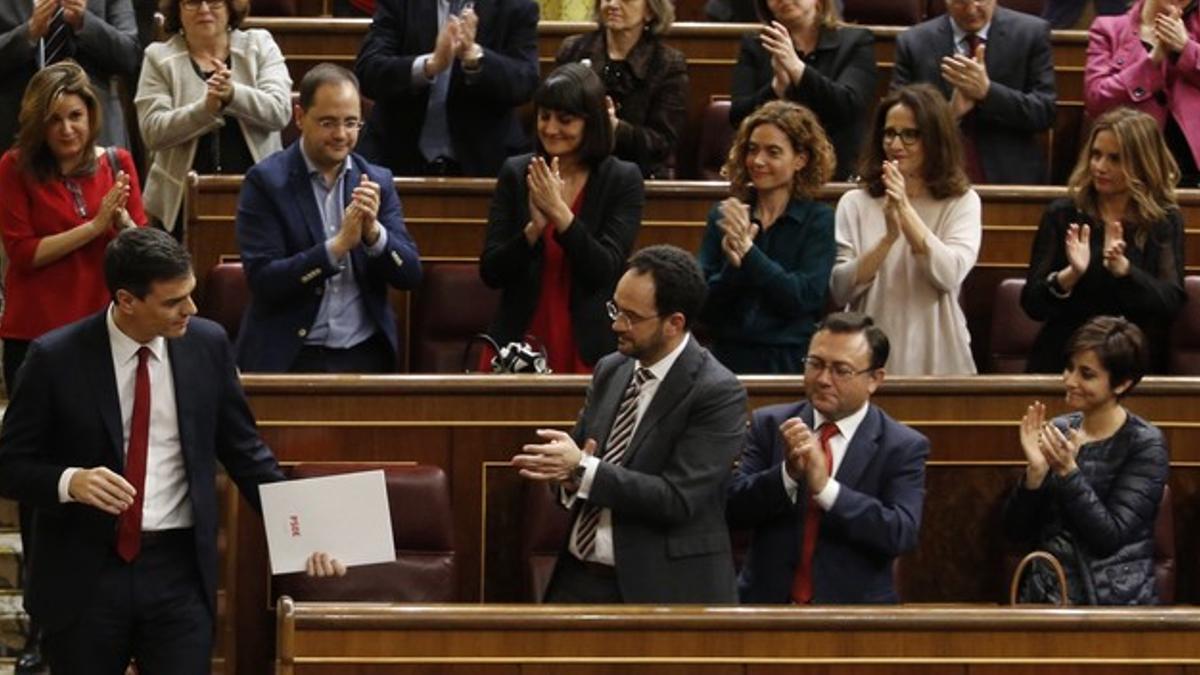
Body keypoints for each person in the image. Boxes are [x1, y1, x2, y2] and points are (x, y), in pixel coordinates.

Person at [0, 227, 345, 674]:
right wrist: (71, 482)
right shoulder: (55, 357)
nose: (191, 309)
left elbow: (247, 455)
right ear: (127, 300)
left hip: (177, 572)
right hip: (84, 572)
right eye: (173, 301)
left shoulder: (208, 345)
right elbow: (9, 466)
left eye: (191, 294)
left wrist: (306, 534)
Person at [0, 58, 145, 675]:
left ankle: (98, 614)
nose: (67, 129)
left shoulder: (118, 163)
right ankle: (41, 623)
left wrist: (119, 222)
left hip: (99, 337)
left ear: (94, 116)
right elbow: (25, 254)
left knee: (101, 472)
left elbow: (140, 247)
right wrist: (92, 226)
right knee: (42, 487)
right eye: (56, 118)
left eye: (77, 116)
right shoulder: (13, 168)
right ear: (39, 122)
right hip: (35, 340)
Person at [511, 244, 747, 603]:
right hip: (579, 578)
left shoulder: (716, 392)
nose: (616, 324)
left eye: (632, 317)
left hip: (662, 590)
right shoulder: (612, 369)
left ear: (675, 323)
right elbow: (579, 460)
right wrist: (565, 475)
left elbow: (678, 499)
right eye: (615, 309)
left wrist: (583, 470)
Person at [234, 64, 422, 373]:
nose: (341, 135)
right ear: (299, 117)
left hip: (365, 356)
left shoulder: (376, 180)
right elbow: (264, 280)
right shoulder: (265, 182)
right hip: (291, 356)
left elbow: (410, 274)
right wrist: (334, 249)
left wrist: (374, 235)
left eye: (351, 123)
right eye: (328, 123)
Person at [728, 313, 927, 603]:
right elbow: (732, 509)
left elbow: (900, 532)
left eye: (841, 370)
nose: (822, 379)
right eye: (815, 364)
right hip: (765, 608)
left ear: (874, 379)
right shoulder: (770, 425)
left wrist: (826, 490)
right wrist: (787, 476)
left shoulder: (902, 446)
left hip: (854, 618)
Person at [480, 63, 643, 373]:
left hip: (588, 344)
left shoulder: (622, 179)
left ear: (591, 123)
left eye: (565, 120)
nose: (551, 129)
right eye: (544, 117)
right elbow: (491, 272)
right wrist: (533, 230)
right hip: (518, 340)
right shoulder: (516, 173)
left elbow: (604, 270)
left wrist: (559, 214)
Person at [1003, 316, 1167, 605]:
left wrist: (1068, 471)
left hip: (1113, 601)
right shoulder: (1059, 429)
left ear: (1122, 383)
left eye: (1086, 374)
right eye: (1070, 368)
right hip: (1047, 592)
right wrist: (1036, 474)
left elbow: (1109, 538)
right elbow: (1014, 532)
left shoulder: (1145, 444)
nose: (1070, 380)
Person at [829, 84, 981, 376]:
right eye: (889, 133)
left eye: (910, 134)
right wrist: (888, 239)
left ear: (935, 138)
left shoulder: (962, 201)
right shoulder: (855, 202)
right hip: (866, 352)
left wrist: (905, 211)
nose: (895, 145)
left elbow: (948, 275)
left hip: (938, 349)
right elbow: (840, 288)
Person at [1021, 107, 1185, 374]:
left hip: (1129, 362)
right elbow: (1032, 303)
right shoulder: (1063, 214)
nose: (1099, 166)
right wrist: (1070, 275)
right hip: (1064, 358)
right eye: (1096, 155)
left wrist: (1126, 272)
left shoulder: (1163, 220)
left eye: (1115, 159)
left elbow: (1171, 303)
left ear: (1142, 162)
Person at [698, 100, 836, 374]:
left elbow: (802, 298)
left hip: (789, 361)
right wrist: (732, 266)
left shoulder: (818, 220)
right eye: (752, 150)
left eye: (773, 152)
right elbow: (703, 307)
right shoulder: (726, 216)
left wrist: (749, 255)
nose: (758, 161)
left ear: (800, 159)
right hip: (726, 358)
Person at [135, 0, 293, 236]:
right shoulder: (158, 57)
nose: (204, 9)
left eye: (215, 1)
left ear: (230, 7)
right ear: (177, 9)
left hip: (259, 194)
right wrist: (204, 111)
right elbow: (152, 131)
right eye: (192, 2)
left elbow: (280, 111)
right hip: (180, 206)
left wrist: (233, 95)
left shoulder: (259, 44)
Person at [354, 0, 540, 176]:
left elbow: (525, 82)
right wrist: (428, 66)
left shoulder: (517, 5)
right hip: (396, 157)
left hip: (484, 163)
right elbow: (369, 71)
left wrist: (477, 59)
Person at [892, 0, 1056, 184]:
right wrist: (949, 114)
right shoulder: (914, 42)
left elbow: (1045, 112)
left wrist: (988, 92)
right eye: (961, 2)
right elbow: (896, 119)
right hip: (934, 174)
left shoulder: (1030, 34)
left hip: (1010, 177)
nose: (971, 10)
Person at [729, 0, 875, 182]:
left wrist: (798, 69)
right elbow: (738, 117)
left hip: (838, 174)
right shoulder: (755, 44)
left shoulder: (856, 41)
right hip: (771, 177)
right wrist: (776, 89)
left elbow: (849, 106)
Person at [555, 0, 687, 179]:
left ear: (649, 10)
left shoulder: (668, 64)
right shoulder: (574, 50)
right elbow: (553, 114)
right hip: (577, 170)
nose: (613, 4)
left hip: (641, 176)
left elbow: (663, 144)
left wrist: (617, 129)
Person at [1084, 0, 1200, 187]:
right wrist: (1152, 62)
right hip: (1128, 170)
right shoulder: (1109, 29)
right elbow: (1097, 99)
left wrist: (1186, 49)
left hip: (1192, 170)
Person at [0, 0, 141, 153]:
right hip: (19, 134)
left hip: (97, 134)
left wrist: (84, 22)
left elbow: (129, 56)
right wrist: (28, 33)